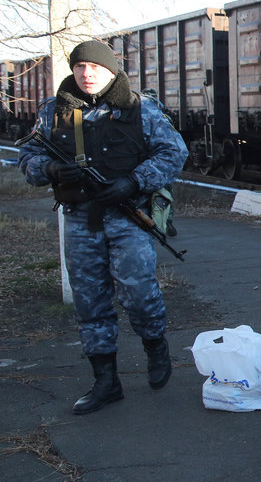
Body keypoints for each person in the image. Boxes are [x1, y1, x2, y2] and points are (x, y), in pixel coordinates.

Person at [18, 39, 188, 415]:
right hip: (80, 218)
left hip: (127, 217)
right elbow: (27, 155)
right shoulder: (53, 112)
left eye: (94, 67)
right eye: (79, 67)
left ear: (111, 70)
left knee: (139, 292)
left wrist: (134, 181)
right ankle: (106, 381)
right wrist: (49, 169)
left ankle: (155, 345)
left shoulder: (140, 110)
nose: (86, 73)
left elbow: (174, 152)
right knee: (90, 301)